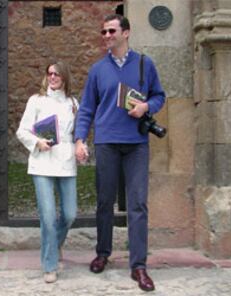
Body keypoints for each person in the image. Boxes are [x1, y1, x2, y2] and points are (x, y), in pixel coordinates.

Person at [74, 14, 166, 292]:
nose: (106, 35)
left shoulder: (144, 64)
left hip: (136, 143)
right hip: (107, 143)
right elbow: (87, 108)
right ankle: (103, 253)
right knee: (104, 202)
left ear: (126, 33)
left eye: (111, 30)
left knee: (138, 205)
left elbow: (159, 96)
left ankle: (139, 266)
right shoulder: (97, 70)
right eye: (103, 31)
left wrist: (146, 107)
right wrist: (80, 139)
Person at [16, 61, 78, 284]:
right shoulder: (36, 101)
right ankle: (50, 265)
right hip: (42, 163)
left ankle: (55, 243)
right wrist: (37, 141)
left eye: (57, 74)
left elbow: (78, 132)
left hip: (66, 163)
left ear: (65, 77)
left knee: (70, 213)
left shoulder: (73, 103)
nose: (52, 77)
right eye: (49, 73)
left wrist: (81, 146)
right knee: (48, 216)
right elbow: (21, 131)